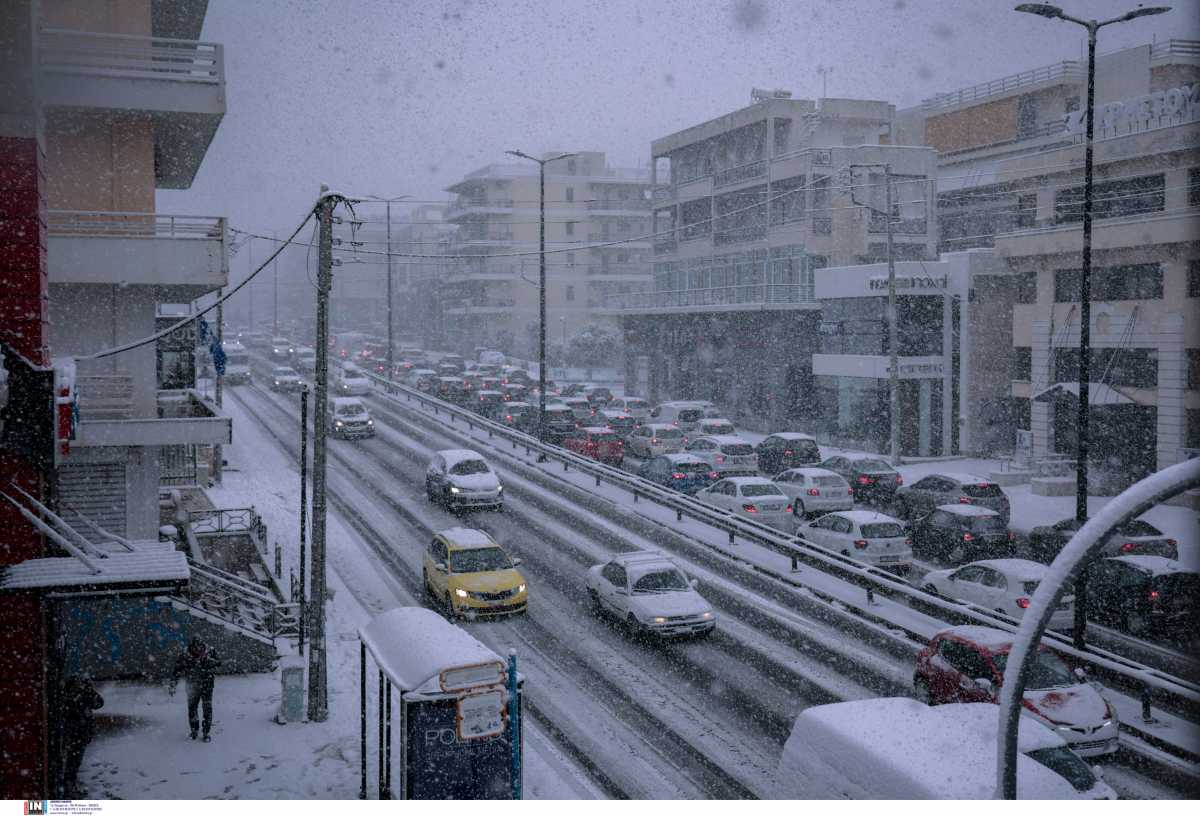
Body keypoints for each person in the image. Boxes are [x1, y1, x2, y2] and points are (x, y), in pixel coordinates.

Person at [169, 636, 222, 742]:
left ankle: (206, 732)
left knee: (207, 709)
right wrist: (173, 685)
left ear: (203, 646)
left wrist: (208, 661)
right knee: (192, 709)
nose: (197, 651)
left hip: (207, 685)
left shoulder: (210, 651)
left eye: (199, 648)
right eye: (195, 648)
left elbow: (219, 663)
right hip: (192, 686)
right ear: (191, 647)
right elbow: (177, 670)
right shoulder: (185, 654)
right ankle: (194, 731)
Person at [61, 676, 104, 796]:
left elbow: (99, 703)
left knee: (74, 762)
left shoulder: (83, 694)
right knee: (71, 763)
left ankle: (69, 786)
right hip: (73, 734)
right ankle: (68, 787)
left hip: (80, 734)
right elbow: (70, 711)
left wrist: (88, 690)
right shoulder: (69, 696)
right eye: (78, 683)